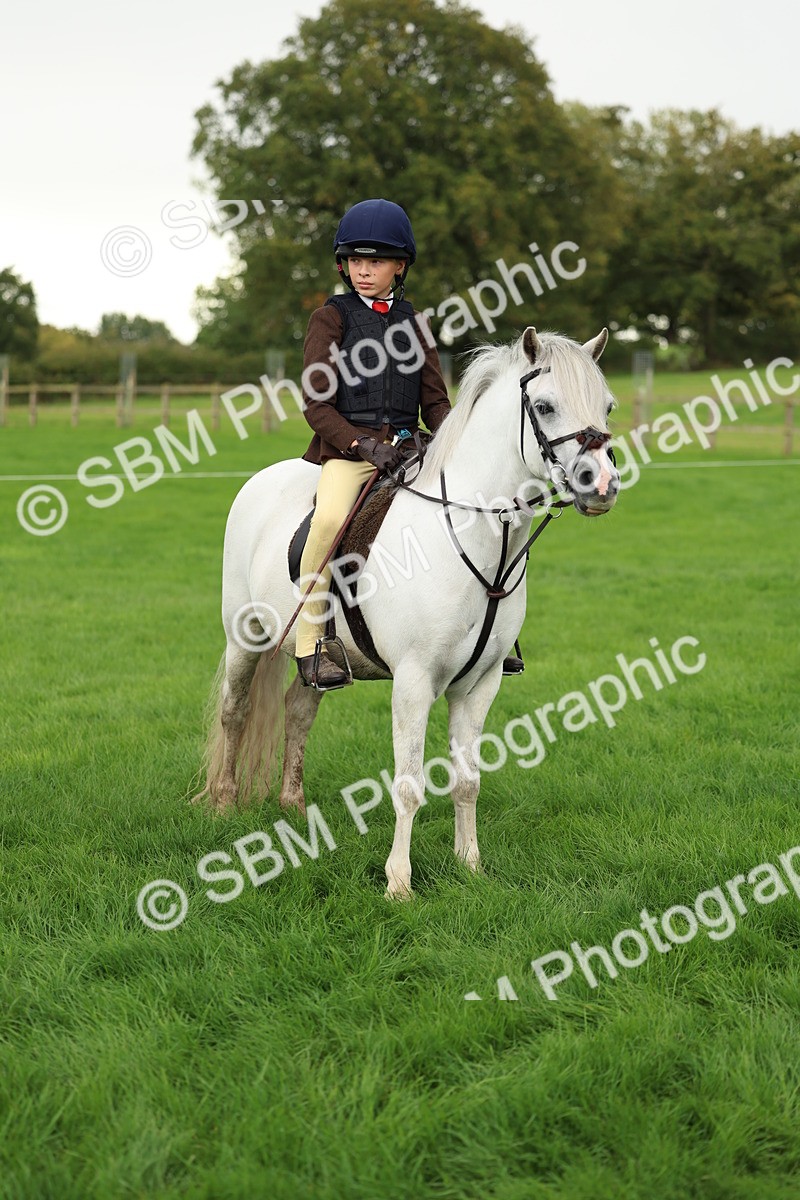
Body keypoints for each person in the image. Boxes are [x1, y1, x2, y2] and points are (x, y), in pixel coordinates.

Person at [296, 198, 451, 688]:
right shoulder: (331, 318)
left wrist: (451, 442)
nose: (364, 271)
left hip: (410, 450)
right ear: (344, 264)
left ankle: (489, 637)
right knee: (327, 522)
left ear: (399, 266)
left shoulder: (415, 322)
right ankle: (312, 645)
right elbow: (316, 406)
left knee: (473, 506)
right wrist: (363, 446)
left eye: (376, 262)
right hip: (350, 455)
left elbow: (437, 403)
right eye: (356, 261)